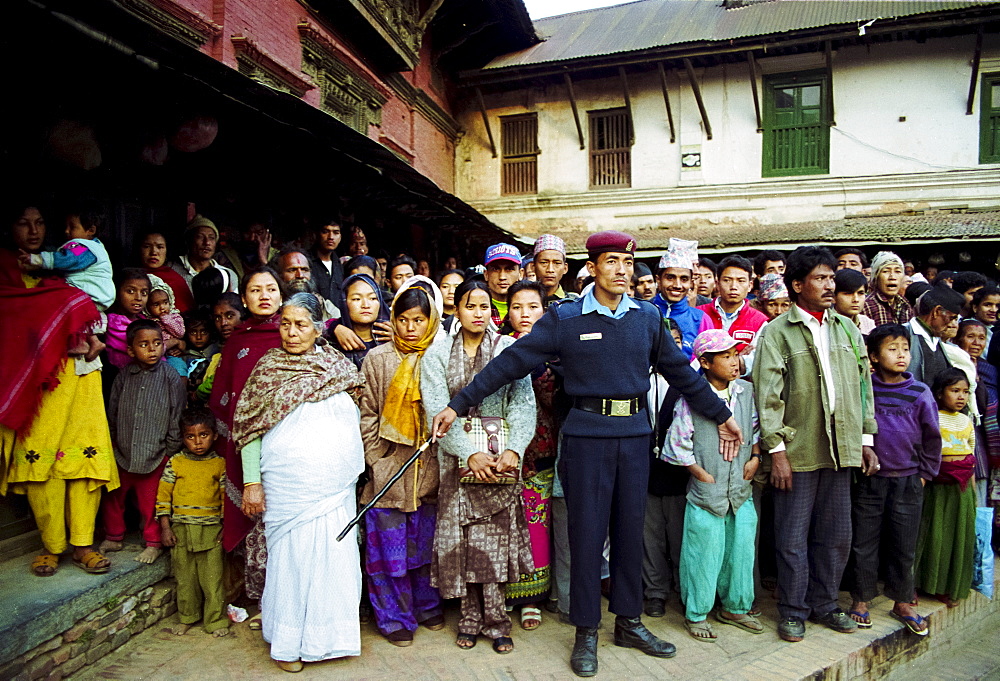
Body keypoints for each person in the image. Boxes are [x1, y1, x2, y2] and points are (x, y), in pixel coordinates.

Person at [431, 231, 743, 677]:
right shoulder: (566, 318)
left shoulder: (648, 319)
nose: (621, 270)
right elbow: (510, 362)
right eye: (611, 261)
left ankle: (630, 623)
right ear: (592, 268)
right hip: (585, 439)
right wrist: (458, 404)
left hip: (635, 436)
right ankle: (587, 632)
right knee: (586, 535)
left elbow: (681, 373)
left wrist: (722, 413)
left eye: (627, 262)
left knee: (629, 531)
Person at [752, 245, 878, 643]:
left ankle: (825, 604)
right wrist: (777, 452)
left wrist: (865, 440)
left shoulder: (847, 329)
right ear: (796, 285)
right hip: (798, 451)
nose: (830, 285)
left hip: (841, 450)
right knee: (791, 538)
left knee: (837, 535)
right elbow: (767, 396)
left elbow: (863, 387)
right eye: (821, 278)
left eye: (831, 277)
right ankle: (792, 611)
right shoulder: (776, 332)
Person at [236, 293, 366, 671]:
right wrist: (251, 483)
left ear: (318, 327)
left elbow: (355, 415)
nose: (291, 333)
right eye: (285, 324)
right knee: (292, 561)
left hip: (334, 486)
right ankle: (289, 642)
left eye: (301, 324)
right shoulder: (268, 369)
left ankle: (331, 638)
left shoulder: (336, 367)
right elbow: (249, 430)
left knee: (333, 559)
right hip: (289, 487)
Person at [421, 278, 536, 655]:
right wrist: (468, 453)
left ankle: (498, 620)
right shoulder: (437, 354)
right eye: (470, 305)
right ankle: (470, 617)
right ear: (455, 309)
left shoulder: (508, 349)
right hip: (458, 464)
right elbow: (436, 408)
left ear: (493, 311)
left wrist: (514, 451)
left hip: (499, 463)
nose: (477, 313)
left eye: (484, 306)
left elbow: (522, 404)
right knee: (466, 545)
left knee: (495, 544)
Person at [1, 201, 116, 577]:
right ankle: (51, 545)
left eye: (39, 223)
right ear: (9, 228)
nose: (33, 231)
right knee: (42, 460)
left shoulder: (66, 269)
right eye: (23, 222)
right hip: (38, 383)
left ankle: (83, 544)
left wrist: (93, 333)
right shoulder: (8, 275)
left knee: (83, 458)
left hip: (81, 372)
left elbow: (94, 308)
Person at [359, 279, 443, 646]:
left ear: (432, 320)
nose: (411, 328)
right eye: (404, 319)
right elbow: (367, 415)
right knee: (388, 552)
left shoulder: (440, 355)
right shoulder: (377, 359)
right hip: (389, 473)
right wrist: (379, 460)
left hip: (431, 470)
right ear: (393, 319)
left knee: (424, 546)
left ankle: (426, 606)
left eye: (419, 320)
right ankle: (394, 619)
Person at [663, 330, 762, 642]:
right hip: (708, 491)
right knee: (703, 553)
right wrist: (700, 473)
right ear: (704, 362)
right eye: (726, 356)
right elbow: (676, 445)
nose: (735, 362)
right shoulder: (692, 399)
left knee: (742, 550)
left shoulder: (746, 392)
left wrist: (755, 457)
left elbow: (756, 429)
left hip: (740, 489)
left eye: (736, 354)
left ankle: (735, 607)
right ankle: (697, 612)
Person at [848, 324, 940, 635]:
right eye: (891, 349)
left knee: (904, 542)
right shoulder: (866, 389)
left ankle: (903, 600)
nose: (900, 355)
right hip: (870, 479)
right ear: (873, 356)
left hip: (909, 479)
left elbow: (932, 437)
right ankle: (861, 598)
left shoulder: (919, 392)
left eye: (904, 349)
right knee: (864, 540)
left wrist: (925, 473)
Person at [208, 266, 283, 623]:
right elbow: (225, 397)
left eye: (271, 289)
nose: (264, 296)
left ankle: (289, 592)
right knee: (256, 514)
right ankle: (259, 594)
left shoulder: (294, 333)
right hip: (248, 445)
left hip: (289, 446)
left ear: (281, 295)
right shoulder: (237, 342)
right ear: (245, 297)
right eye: (256, 290)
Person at [101, 318, 186, 564]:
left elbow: (177, 413)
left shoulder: (169, 376)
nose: (152, 349)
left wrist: (169, 449)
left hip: (155, 453)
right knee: (114, 496)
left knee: (151, 502)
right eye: (144, 344)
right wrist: (115, 441)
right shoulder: (124, 376)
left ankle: (153, 541)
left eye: (157, 343)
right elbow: (113, 410)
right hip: (124, 452)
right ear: (130, 350)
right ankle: (114, 536)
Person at [503, 280, 557, 630]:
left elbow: (557, 400)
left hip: (543, 449)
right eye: (518, 307)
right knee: (506, 526)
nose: (525, 314)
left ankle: (533, 598)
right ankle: (505, 592)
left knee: (538, 526)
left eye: (533, 307)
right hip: (505, 451)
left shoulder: (557, 349)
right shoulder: (498, 348)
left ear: (544, 309)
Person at [156, 407, 229, 637]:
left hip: (211, 530)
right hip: (181, 530)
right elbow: (163, 496)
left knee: (212, 580)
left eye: (204, 435)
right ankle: (187, 616)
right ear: (183, 438)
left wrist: (226, 526)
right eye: (190, 436)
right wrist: (165, 527)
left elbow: (225, 497)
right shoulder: (176, 463)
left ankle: (216, 621)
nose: (198, 442)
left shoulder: (219, 464)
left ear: (214, 436)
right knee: (185, 578)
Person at [17, 199, 113, 362]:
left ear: (90, 230)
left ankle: (80, 343)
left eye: (72, 226)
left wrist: (37, 259)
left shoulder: (83, 247)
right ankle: (93, 341)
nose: (67, 231)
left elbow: (66, 260)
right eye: (66, 226)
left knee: (59, 299)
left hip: (90, 293)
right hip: (95, 295)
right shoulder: (95, 246)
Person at [915, 368, 977, 608]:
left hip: (961, 490)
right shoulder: (932, 417)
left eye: (965, 392)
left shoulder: (966, 421)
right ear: (940, 393)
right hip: (936, 487)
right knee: (933, 534)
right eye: (955, 391)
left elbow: (970, 455)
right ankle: (923, 584)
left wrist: (971, 493)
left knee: (957, 536)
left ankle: (948, 586)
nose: (961, 397)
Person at [698, 255, 768, 374]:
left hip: (742, 387)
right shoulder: (699, 314)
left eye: (741, 281)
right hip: (700, 385)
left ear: (750, 285)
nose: (734, 287)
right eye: (727, 280)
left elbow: (757, 361)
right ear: (717, 283)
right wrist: (738, 358)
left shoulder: (760, 321)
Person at [956, 319, 996, 507]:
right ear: (958, 339)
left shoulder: (989, 370)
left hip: (983, 440)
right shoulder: (954, 365)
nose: (977, 343)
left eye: (981, 338)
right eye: (970, 337)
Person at [651, 238, 708, 357]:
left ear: (691, 282)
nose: (677, 285)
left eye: (684, 279)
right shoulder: (642, 312)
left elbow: (707, 361)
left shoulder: (701, 319)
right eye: (670, 278)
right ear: (658, 280)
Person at [905, 284, 966, 387]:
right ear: (936, 312)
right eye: (951, 318)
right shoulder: (904, 335)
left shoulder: (937, 340)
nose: (951, 325)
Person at [331, 272, 390, 369]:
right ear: (344, 303)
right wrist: (334, 327)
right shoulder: (330, 343)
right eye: (356, 299)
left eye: (373, 298)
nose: (366, 305)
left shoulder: (393, 337)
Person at [169, 215, 238, 296]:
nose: (207, 243)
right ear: (189, 240)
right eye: (200, 237)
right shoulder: (172, 270)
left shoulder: (227, 275)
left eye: (211, 238)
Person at [271, 246, 339, 320]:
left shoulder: (327, 308)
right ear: (278, 274)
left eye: (304, 270)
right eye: (292, 270)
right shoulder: (269, 306)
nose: (300, 275)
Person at [105, 269, 152, 370]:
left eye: (144, 293)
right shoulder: (114, 322)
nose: (138, 298)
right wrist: (174, 343)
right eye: (130, 291)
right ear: (116, 293)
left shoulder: (142, 319)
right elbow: (146, 348)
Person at [138, 230, 195, 313]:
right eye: (147, 246)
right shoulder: (131, 278)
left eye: (160, 247)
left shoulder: (176, 279)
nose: (154, 252)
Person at [147, 274, 189, 378]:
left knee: (179, 370)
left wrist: (165, 319)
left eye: (165, 302)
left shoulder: (174, 316)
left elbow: (179, 333)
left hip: (172, 355)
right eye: (156, 305)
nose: (162, 308)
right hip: (156, 357)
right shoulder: (148, 321)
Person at [863, 251, 912, 326]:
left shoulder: (905, 304)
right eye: (886, 271)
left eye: (897, 271)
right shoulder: (866, 305)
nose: (892, 277)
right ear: (876, 277)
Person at [483, 243, 523, 329]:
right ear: (486, 274)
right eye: (495, 269)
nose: (502, 277)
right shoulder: (475, 308)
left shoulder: (530, 309)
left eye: (509, 269)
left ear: (521, 273)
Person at [308, 218, 345, 304]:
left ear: (340, 237)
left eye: (336, 233)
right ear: (316, 234)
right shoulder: (305, 262)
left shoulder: (341, 265)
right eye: (325, 231)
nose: (331, 237)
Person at [532, 234, 574, 306]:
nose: (550, 269)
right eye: (544, 263)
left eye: (557, 263)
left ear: (565, 268)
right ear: (533, 267)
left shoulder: (573, 302)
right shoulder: (522, 300)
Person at [834, 268, 876, 336]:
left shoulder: (867, 323)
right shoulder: (827, 323)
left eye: (861, 293)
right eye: (848, 293)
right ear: (834, 296)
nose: (856, 299)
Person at [969, 284, 1000, 349]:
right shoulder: (967, 328)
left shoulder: (994, 329)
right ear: (975, 307)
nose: (994, 310)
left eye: (998, 306)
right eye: (988, 305)